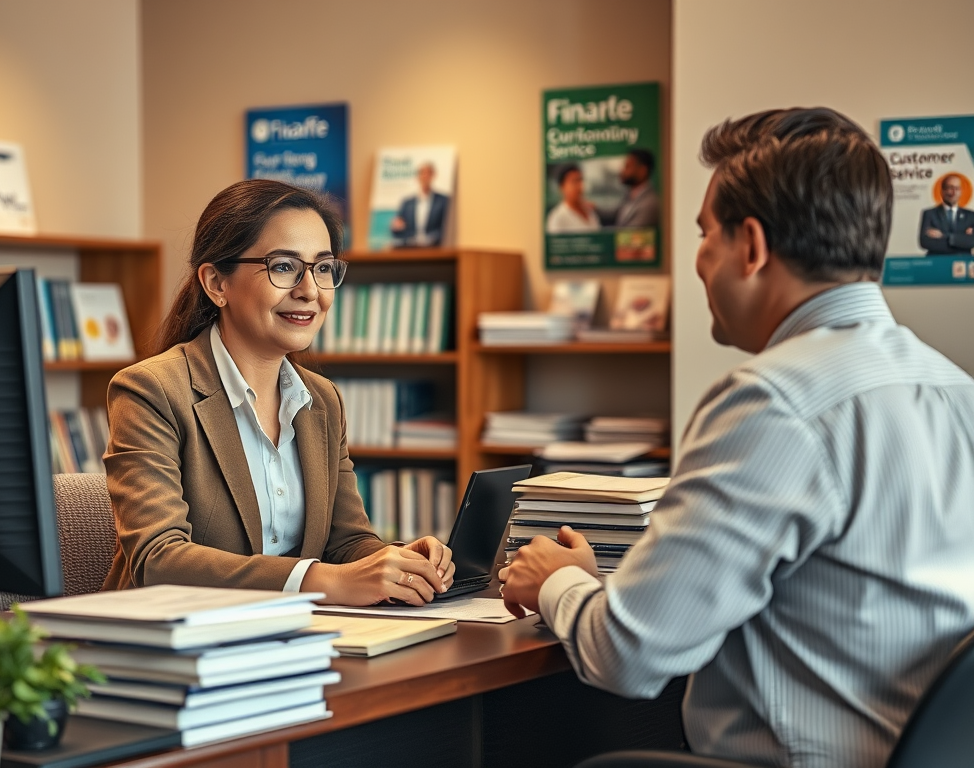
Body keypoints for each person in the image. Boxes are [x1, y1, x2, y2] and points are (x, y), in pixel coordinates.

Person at [500, 108, 974, 768]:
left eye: (703, 234)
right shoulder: (957, 390)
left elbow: (629, 657)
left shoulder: (774, 401)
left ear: (750, 246)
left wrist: (558, 582)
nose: (698, 261)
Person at [102, 179, 455, 605]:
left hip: (295, 637)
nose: (310, 291)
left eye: (323, 268)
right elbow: (158, 560)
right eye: (284, 266)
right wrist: (322, 580)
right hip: (170, 643)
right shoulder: (151, 390)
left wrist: (396, 561)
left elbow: (346, 544)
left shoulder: (322, 400)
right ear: (217, 283)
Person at [390, 161, 450, 247]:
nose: (425, 176)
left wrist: (431, 238)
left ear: (433, 175)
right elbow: (398, 231)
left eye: (428, 173)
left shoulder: (443, 201)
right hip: (411, 250)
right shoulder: (407, 203)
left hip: (435, 249)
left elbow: (447, 228)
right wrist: (395, 227)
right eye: (422, 173)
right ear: (417, 176)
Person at [918, 173, 974, 254]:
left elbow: (971, 242)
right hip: (937, 262)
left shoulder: (971, 215)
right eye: (950, 188)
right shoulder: (929, 214)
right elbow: (925, 242)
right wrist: (960, 240)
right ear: (942, 191)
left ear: (961, 191)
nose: (954, 192)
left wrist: (945, 236)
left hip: (962, 263)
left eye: (957, 188)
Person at [545, 163, 601, 234]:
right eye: (574, 181)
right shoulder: (557, 217)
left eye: (580, 180)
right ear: (562, 187)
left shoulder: (590, 211)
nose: (579, 186)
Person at [613, 148, 659, 228]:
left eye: (628, 167)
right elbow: (614, 214)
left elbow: (630, 235)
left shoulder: (650, 204)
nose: (622, 171)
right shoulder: (630, 195)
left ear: (642, 171)